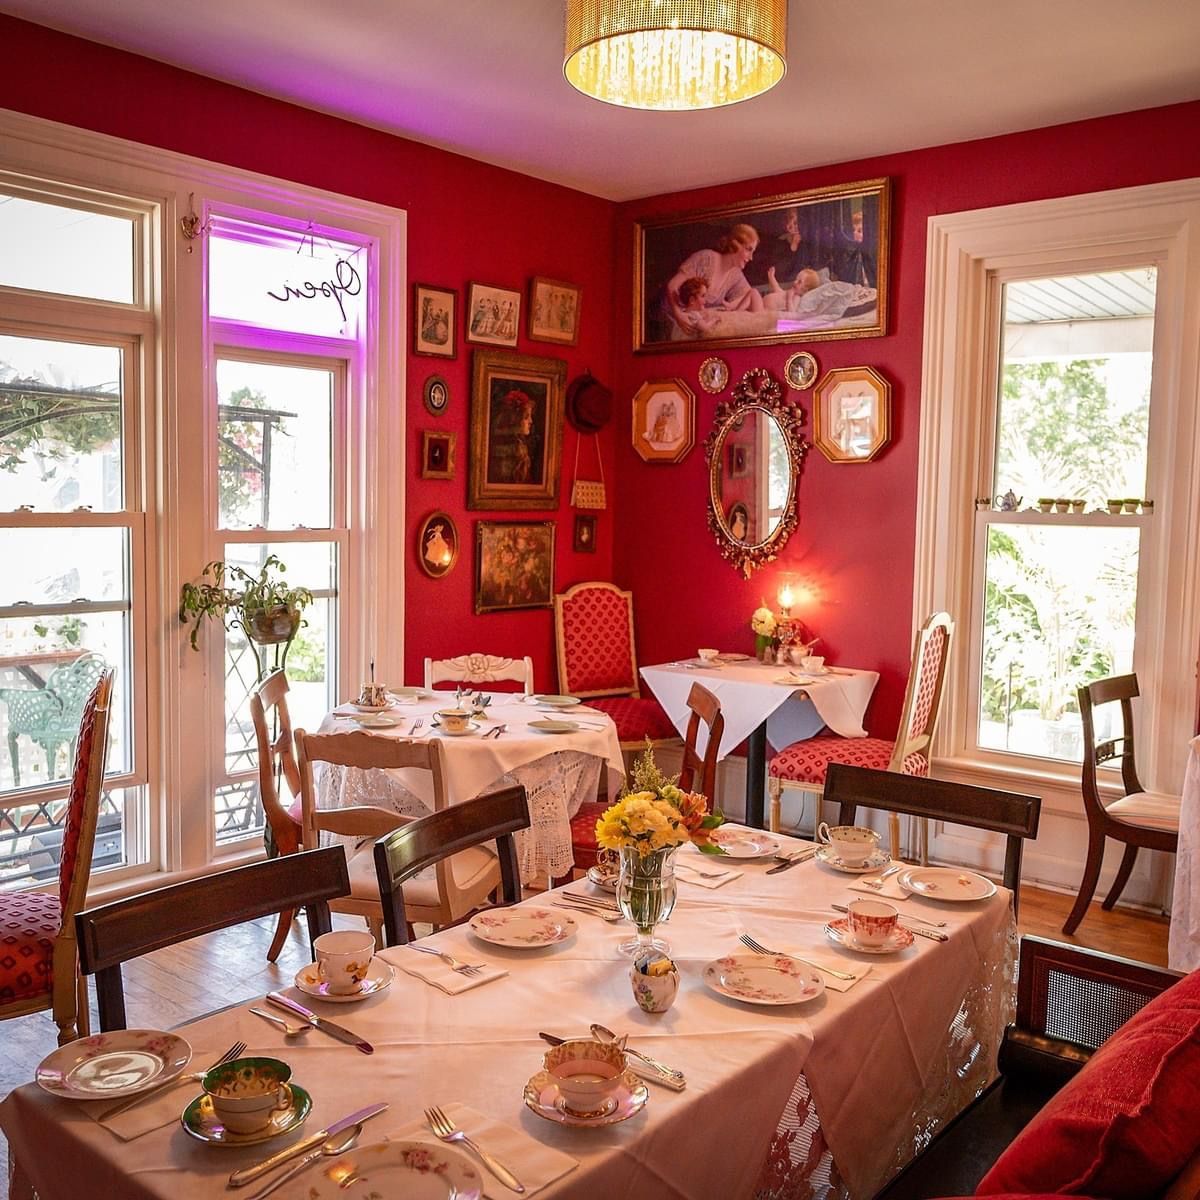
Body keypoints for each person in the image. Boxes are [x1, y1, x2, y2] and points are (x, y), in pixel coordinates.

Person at [664, 223, 763, 336]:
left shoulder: (736, 273)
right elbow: (672, 285)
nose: (751, 258)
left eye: (753, 251)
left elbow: (749, 297)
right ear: (735, 244)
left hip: (699, 325)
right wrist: (678, 314)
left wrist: (733, 309)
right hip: (676, 321)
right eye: (748, 249)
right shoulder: (706, 258)